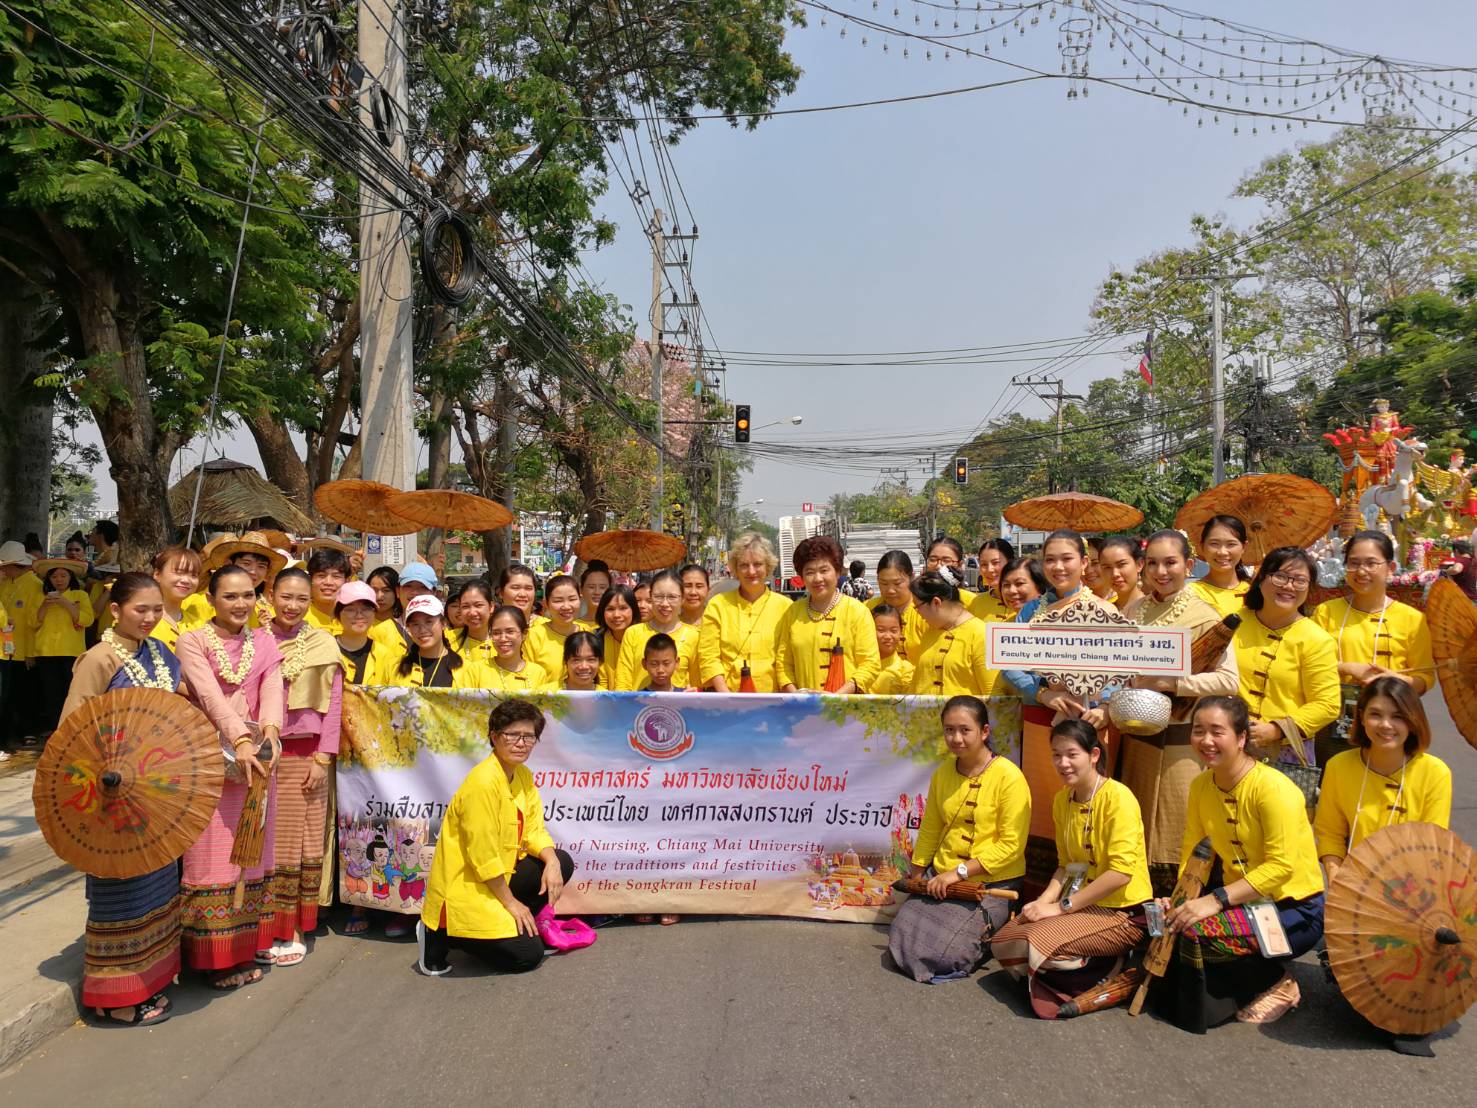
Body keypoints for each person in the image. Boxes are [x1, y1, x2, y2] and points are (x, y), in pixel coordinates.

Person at [1152, 697, 1325, 1032]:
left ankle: (1277, 982)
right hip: (1243, 901)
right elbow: (1193, 853)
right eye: (1198, 731)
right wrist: (1178, 902)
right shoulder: (1202, 785)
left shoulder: (1273, 789)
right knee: (1166, 924)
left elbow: (1281, 868)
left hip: (1294, 909)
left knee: (1198, 934)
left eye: (1218, 732)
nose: (1206, 741)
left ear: (1242, 738)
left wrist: (1213, 901)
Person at [57, 573, 184, 1025]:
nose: (149, 618)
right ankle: (115, 997)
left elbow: (180, 714)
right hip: (112, 797)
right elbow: (72, 730)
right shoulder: (98, 659)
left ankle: (150, 979)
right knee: (120, 893)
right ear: (115, 611)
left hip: (158, 797)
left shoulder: (163, 655)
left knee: (156, 889)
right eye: (139, 610)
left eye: (156, 610)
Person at [1313, 678, 1453, 1056]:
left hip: (1413, 895)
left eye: (1397, 716)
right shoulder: (1341, 765)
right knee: (1363, 1004)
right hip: (1354, 893)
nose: (1385, 725)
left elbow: (1432, 846)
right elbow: (1328, 833)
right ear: (1360, 719)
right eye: (1374, 714)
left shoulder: (1434, 772)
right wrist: (1335, 873)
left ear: (1413, 721)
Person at [991, 719, 1152, 1018]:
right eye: (1056, 754)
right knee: (1006, 939)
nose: (1063, 763)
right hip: (1080, 904)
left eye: (1071, 754)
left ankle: (1109, 965)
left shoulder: (1118, 798)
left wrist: (1061, 908)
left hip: (1123, 912)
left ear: (1093, 755)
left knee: (1037, 945)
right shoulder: (1061, 800)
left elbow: (1120, 874)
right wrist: (1043, 902)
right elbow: (1065, 866)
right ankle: (1071, 966)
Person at [175, 565, 285, 989]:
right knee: (212, 857)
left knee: (253, 854)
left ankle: (243, 948)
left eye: (248, 595)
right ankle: (214, 958)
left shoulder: (263, 639)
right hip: (210, 758)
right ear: (211, 600)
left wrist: (271, 731)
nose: (241, 604)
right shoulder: (193, 641)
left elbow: (273, 686)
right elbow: (210, 696)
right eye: (230, 596)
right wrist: (238, 738)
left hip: (258, 758)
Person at [1119, 530, 1241, 894]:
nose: (1161, 571)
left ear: (1188, 565)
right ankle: (1136, 907)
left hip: (1180, 742)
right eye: (1152, 563)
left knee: (1176, 827)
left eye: (1170, 562)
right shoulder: (1134, 610)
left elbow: (1229, 681)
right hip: (1136, 738)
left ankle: (1176, 909)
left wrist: (1176, 683)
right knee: (1136, 823)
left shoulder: (1204, 616)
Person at [417, 699, 575, 976]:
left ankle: (512, 924)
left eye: (528, 736)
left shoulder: (522, 775)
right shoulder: (482, 783)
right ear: (494, 737)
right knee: (528, 956)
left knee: (561, 861)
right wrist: (512, 903)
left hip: (502, 874)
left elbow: (534, 830)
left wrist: (550, 862)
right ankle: (443, 933)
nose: (521, 743)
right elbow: (483, 858)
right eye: (512, 735)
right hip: (469, 884)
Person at [886, 695, 1029, 983]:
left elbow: (1011, 845)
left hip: (990, 883)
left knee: (945, 956)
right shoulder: (942, 775)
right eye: (949, 730)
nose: (956, 738)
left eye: (965, 730)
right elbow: (931, 828)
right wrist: (918, 874)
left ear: (984, 732)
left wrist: (959, 872)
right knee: (902, 938)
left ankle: (991, 930)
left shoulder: (1010, 778)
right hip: (943, 879)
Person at [265, 568, 342, 967]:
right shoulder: (255, 640)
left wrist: (322, 757)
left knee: (304, 844)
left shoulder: (323, 642)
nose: (293, 606)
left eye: (301, 599)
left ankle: (293, 927)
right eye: (286, 597)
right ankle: (264, 929)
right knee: (264, 847)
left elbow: (335, 707)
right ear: (271, 595)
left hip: (307, 756)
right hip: (263, 755)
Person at [1312, 530, 1435, 766]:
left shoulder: (1412, 619)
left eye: (1371, 563)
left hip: (1391, 721)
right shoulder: (1326, 612)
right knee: (1335, 783)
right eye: (1354, 563)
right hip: (1334, 720)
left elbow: (1425, 677)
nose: (1361, 571)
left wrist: (1396, 680)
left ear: (1390, 567)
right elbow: (1308, 664)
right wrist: (1346, 667)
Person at [1233, 547, 1340, 768]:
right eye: (1280, 577)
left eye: (1300, 580)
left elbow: (1327, 704)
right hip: (1229, 741)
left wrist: (1277, 729)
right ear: (1261, 578)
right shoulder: (1234, 622)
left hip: (1284, 752)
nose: (1289, 586)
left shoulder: (1316, 639)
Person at [774, 536, 880, 693]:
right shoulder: (792, 612)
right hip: (804, 710)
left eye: (824, 570)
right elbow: (783, 663)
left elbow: (870, 663)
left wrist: (836, 698)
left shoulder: (858, 611)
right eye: (809, 572)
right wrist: (796, 695)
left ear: (838, 572)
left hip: (846, 709)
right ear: (801, 577)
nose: (817, 578)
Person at [699, 533, 786, 692]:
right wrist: (728, 699)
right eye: (744, 565)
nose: (751, 571)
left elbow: (788, 660)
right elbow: (708, 657)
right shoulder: (718, 605)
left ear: (768, 567)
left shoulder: (785, 607)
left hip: (774, 701)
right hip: (727, 700)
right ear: (735, 569)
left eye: (758, 564)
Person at [30, 556, 94, 740]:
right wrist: (44, 606)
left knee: (71, 692)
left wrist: (65, 603)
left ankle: (73, 730)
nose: (58, 580)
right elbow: (32, 623)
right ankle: (55, 730)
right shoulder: (42, 596)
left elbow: (87, 620)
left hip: (71, 652)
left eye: (63, 576)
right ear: (48, 580)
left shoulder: (80, 595)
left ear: (70, 577)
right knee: (50, 693)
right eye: (54, 577)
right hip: (45, 651)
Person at [908, 568, 996, 697]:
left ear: (936, 602)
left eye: (917, 607)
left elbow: (993, 695)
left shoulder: (981, 635)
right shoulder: (930, 632)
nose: (918, 614)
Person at [614, 569, 702, 691]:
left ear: (682, 599)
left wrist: (695, 692)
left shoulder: (694, 636)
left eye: (672, 597)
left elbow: (697, 683)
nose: (665, 603)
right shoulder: (633, 633)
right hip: (638, 708)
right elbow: (623, 683)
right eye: (659, 597)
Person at [385, 595, 487, 689]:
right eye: (415, 624)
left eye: (429, 622)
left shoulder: (467, 670)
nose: (422, 629)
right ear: (408, 628)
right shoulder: (392, 667)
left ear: (443, 624)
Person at [0, 540, 43, 755]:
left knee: (24, 694)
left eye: (3, 565)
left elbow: (35, 622)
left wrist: (30, 652)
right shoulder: (5, 583)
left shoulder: (34, 585)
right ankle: (10, 734)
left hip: (23, 650)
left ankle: (26, 731)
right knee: (7, 695)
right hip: (4, 650)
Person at [524, 574, 587, 684]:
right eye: (558, 601)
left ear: (580, 600)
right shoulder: (534, 636)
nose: (566, 606)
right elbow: (527, 678)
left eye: (572, 599)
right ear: (546, 604)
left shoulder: (588, 634)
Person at [865, 550, 927, 662]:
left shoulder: (926, 613)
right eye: (884, 583)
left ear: (912, 577)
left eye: (897, 583)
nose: (890, 590)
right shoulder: (866, 610)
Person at [1191, 515, 1252, 618]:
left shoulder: (1255, 592)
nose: (1222, 552)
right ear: (1202, 547)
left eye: (1231, 544)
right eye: (1214, 544)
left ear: (1244, 547)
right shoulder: (1190, 594)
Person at [150, 546, 206, 650]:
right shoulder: (140, 620)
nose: (186, 580)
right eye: (179, 572)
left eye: (194, 575)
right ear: (157, 574)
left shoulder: (198, 624)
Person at [485, 605, 550, 693]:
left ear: (524, 634)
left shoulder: (538, 673)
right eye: (496, 633)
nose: (503, 638)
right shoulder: (475, 671)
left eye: (510, 631)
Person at [595, 585, 638, 690]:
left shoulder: (644, 639)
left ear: (634, 610)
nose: (616, 615)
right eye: (610, 609)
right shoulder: (596, 641)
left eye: (623, 608)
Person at [868, 604, 915, 694]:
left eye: (893, 631)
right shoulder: (858, 664)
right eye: (881, 630)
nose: (888, 636)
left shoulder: (905, 669)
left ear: (901, 632)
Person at [451, 580, 497, 668]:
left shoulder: (503, 642)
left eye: (478, 605)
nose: (472, 613)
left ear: (491, 607)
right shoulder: (449, 640)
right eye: (465, 606)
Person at [969, 538, 1015, 623]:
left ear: (1010, 562)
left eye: (995, 563)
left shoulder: (1027, 603)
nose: (989, 569)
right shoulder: (976, 602)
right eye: (984, 564)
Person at [924, 537, 977, 606]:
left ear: (960, 564)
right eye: (933, 559)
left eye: (946, 561)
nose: (938, 566)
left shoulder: (973, 602)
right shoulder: (916, 599)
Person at [1098, 535, 1144, 612]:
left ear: (1139, 564)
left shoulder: (1156, 610)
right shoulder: (1102, 612)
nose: (1115, 574)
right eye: (1107, 567)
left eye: (1121, 565)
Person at [1083, 536, 1116, 601]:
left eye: (1095, 563)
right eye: (1084, 564)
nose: (1089, 571)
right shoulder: (1074, 603)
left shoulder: (1124, 600)